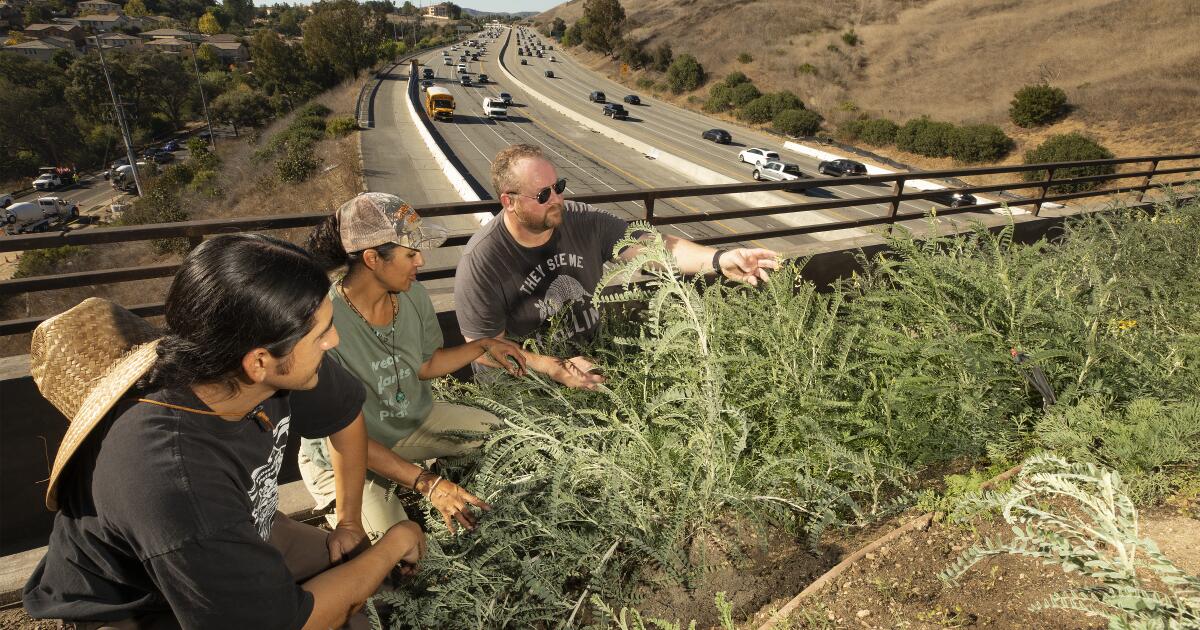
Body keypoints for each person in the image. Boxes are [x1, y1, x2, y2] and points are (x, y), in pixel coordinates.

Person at [23, 234, 422, 629]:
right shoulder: (174, 477)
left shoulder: (260, 354)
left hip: (245, 524)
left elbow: (344, 416)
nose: (332, 341)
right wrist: (393, 544)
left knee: (374, 589)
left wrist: (350, 522)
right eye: (321, 335)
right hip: (139, 602)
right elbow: (286, 624)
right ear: (259, 363)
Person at [302, 192, 533, 540]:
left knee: (508, 436)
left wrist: (483, 346)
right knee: (401, 554)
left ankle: (442, 473)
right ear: (372, 259)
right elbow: (347, 440)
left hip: (409, 423)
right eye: (410, 254)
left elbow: (425, 364)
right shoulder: (325, 324)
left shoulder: (412, 296)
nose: (421, 262)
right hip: (348, 457)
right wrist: (427, 483)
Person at [454, 143, 781, 381]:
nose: (557, 199)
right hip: (521, 382)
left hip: (588, 361)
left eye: (559, 187)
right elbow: (485, 349)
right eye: (543, 195)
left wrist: (719, 258)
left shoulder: (583, 221)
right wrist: (555, 367)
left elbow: (654, 248)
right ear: (509, 202)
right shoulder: (483, 259)